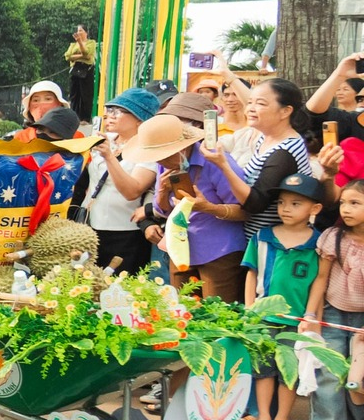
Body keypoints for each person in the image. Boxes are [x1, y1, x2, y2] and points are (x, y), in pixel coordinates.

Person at [241, 174, 324, 420]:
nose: (286, 209)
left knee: (289, 370)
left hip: (297, 319)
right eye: (281, 202)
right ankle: (263, 417)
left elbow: (319, 283)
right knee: (263, 368)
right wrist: (250, 308)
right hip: (263, 317)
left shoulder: (319, 245)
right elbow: (251, 273)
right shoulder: (262, 237)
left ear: (315, 209)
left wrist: (311, 316)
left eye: (295, 203)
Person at [142, 95, 245, 300]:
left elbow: (245, 209)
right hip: (180, 249)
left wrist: (209, 208)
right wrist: (162, 191)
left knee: (216, 316)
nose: (161, 160)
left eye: (167, 154)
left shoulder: (215, 160)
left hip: (219, 252)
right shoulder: (165, 159)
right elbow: (162, 211)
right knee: (183, 313)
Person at [189, 79, 319, 242]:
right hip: (253, 240)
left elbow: (255, 204)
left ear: (285, 111)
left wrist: (223, 165)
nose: (250, 108)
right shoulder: (264, 138)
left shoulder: (285, 151)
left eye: (261, 104)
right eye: (250, 102)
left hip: (272, 246)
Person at [304, 177, 364, 420]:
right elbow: (321, 279)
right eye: (343, 203)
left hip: (362, 319)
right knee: (329, 372)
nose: (346, 209)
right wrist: (310, 314)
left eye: (355, 203)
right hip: (333, 312)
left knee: (359, 377)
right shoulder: (333, 237)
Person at [80, 88, 162, 277]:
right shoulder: (103, 139)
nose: (110, 116)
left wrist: (109, 156)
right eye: (109, 109)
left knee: (118, 292)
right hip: (89, 228)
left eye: (118, 111)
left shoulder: (148, 150)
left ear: (140, 119)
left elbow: (133, 191)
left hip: (125, 233)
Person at [65, 26, 97, 118]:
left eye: (80, 30)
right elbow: (67, 56)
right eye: (77, 31)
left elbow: (87, 54)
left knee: (85, 94)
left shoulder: (91, 43)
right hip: (75, 70)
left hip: (86, 70)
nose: (78, 32)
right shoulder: (72, 45)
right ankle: (74, 116)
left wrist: (80, 43)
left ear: (86, 32)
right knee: (74, 94)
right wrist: (81, 56)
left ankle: (85, 117)